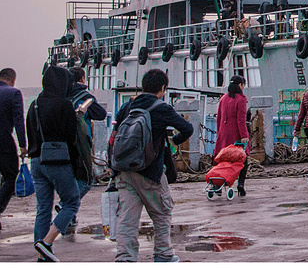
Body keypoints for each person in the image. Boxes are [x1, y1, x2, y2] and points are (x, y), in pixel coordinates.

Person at [114, 69, 194, 263]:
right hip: (150, 171)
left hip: (124, 171)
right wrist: (174, 140)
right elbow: (187, 128)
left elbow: (116, 133)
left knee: (127, 218)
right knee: (162, 213)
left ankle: (125, 258)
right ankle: (163, 254)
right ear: (163, 88)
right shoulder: (161, 108)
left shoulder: (127, 107)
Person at [26, 66, 81, 262]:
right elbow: (71, 138)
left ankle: (43, 254)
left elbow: (30, 134)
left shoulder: (34, 105)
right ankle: (47, 243)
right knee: (71, 201)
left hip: (36, 161)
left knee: (43, 209)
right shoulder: (64, 104)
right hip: (57, 160)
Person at [58, 67, 106, 226]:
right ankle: (67, 206)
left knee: (69, 179)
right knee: (86, 180)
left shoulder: (61, 95)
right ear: (83, 79)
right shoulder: (85, 97)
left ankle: (69, 217)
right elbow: (101, 114)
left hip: (62, 143)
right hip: (80, 144)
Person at [0, 67, 27, 232]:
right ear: (13, 80)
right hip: (3, 143)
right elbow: (19, 120)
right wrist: (23, 145)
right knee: (10, 178)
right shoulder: (13, 93)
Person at [214, 76, 249, 196]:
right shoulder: (241, 99)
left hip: (223, 134)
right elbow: (241, 120)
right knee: (243, 160)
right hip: (236, 134)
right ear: (240, 85)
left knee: (223, 161)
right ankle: (240, 184)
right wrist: (244, 135)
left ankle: (218, 184)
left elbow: (219, 118)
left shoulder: (223, 98)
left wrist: (219, 133)